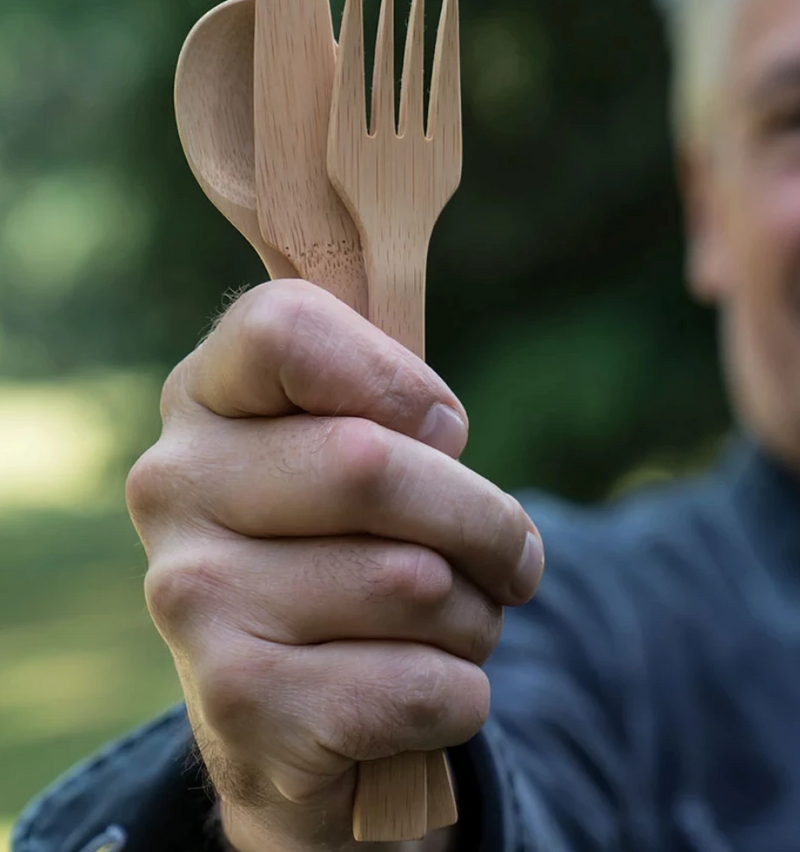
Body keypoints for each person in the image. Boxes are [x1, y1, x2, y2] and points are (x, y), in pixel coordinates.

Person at [12, 0, 800, 850]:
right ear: (706, 208)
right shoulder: (596, 624)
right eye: (794, 119)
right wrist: (301, 814)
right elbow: (521, 766)